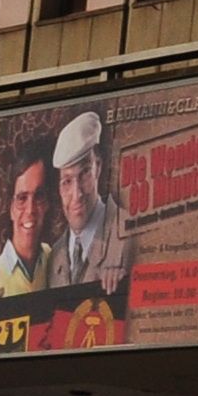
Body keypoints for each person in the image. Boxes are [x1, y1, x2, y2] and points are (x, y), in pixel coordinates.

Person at [49, 111, 129, 300]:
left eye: (84, 173)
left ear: (98, 167)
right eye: (67, 182)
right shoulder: (54, 255)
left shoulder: (130, 233)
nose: (76, 194)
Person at [0, 158, 55, 301]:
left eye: (38, 196)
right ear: (11, 209)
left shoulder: (50, 256)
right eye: (22, 198)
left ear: (47, 204)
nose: (30, 210)